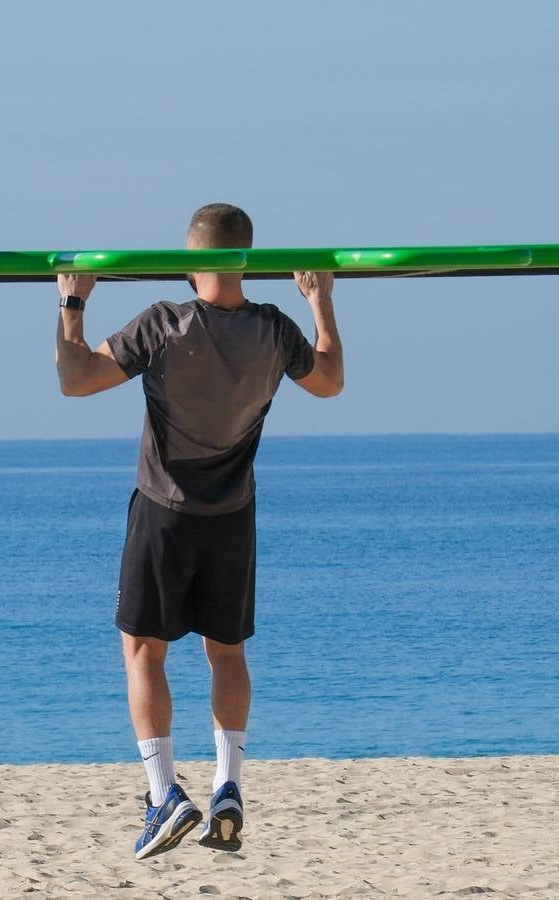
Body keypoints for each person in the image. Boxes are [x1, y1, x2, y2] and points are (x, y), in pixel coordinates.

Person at [53, 203, 345, 860]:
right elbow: (329, 382)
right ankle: (229, 786)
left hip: (164, 511)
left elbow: (75, 380)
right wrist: (319, 301)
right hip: (232, 516)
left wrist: (72, 304)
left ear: (191, 259)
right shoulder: (273, 329)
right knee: (227, 653)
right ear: (244, 257)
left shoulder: (164, 323)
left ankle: (163, 795)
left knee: (143, 652)